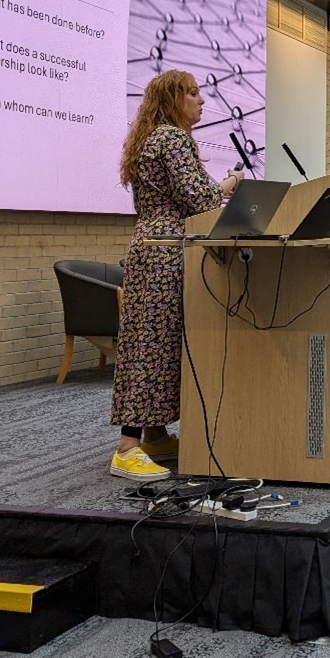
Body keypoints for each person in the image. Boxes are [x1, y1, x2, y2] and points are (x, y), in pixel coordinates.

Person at [110, 70, 243, 481]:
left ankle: (155, 434)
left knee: (160, 344)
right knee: (150, 346)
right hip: (164, 252)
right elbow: (199, 197)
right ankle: (127, 449)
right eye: (192, 93)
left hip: (154, 248)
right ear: (172, 100)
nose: (201, 100)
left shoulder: (157, 137)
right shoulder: (172, 138)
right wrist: (230, 183)